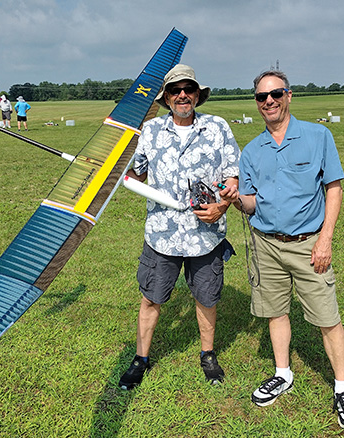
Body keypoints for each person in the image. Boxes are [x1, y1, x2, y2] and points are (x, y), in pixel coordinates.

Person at [220, 70, 344, 430]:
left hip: (308, 244)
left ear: (289, 95)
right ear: (255, 103)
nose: (268, 101)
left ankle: (342, 386)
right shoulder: (251, 151)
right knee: (275, 312)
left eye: (275, 94)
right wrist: (236, 198)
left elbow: (333, 187)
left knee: (327, 317)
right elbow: (251, 205)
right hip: (266, 245)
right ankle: (283, 373)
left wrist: (325, 238)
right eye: (261, 97)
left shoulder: (318, 136)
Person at [118, 64, 241, 390]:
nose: (182, 95)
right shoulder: (151, 130)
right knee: (151, 298)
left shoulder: (217, 127)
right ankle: (141, 358)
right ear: (166, 98)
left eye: (188, 89)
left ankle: (208, 355)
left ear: (198, 95)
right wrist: (116, 159)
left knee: (207, 298)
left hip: (206, 235)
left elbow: (233, 174)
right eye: (175, 90)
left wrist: (223, 204)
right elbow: (137, 174)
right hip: (162, 235)